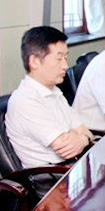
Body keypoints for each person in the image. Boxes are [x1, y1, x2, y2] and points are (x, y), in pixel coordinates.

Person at [6, 26, 93, 169]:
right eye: (59, 59)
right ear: (34, 61)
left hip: (73, 166)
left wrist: (81, 138)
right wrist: (79, 136)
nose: (65, 65)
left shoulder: (54, 91)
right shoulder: (26, 101)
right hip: (53, 175)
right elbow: (66, 148)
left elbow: (84, 131)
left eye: (65, 58)